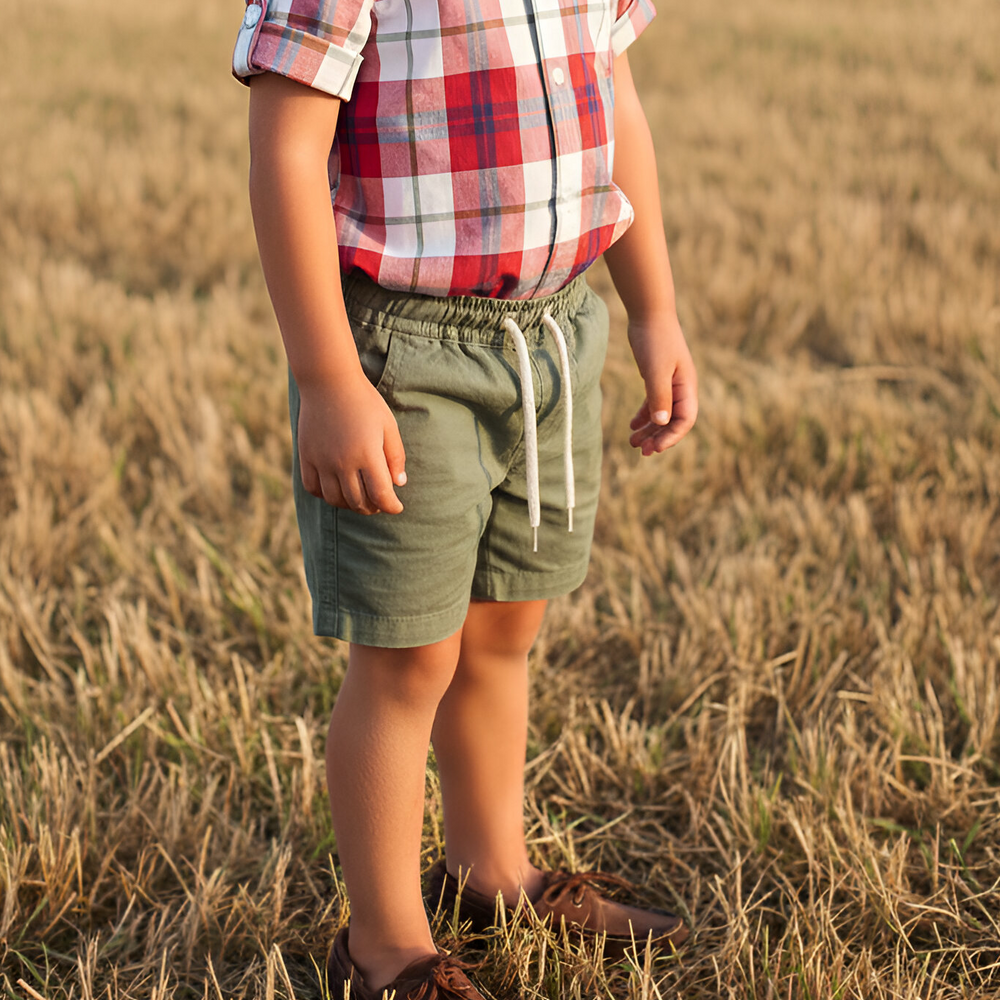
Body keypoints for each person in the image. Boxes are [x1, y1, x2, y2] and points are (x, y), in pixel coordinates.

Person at [233, 0, 698, 996]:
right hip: (404, 356)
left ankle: (489, 874)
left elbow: (614, 96)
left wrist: (653, 308)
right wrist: (327, 379)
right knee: (408, 656)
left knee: (503, 628)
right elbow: (286, 149)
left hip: (554, 339)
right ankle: (385, 948)